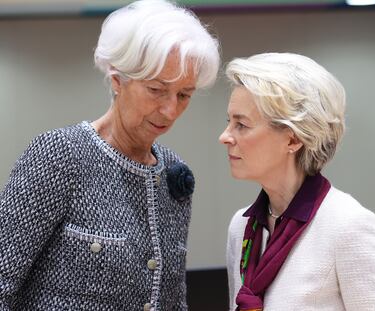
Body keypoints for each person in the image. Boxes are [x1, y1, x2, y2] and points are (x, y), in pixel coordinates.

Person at [0, 1, 219, 310]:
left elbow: (172, 299)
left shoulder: (173, 173)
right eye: (156, 89)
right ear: (118, 79)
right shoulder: (61, 156)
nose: (171, 110)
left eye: (184, 95)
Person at [219, 53, 375, 310]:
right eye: (228, 122)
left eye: (241, 124)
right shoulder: (241, 226)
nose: (225, 136)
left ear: (293, 139)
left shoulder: (349, 227)